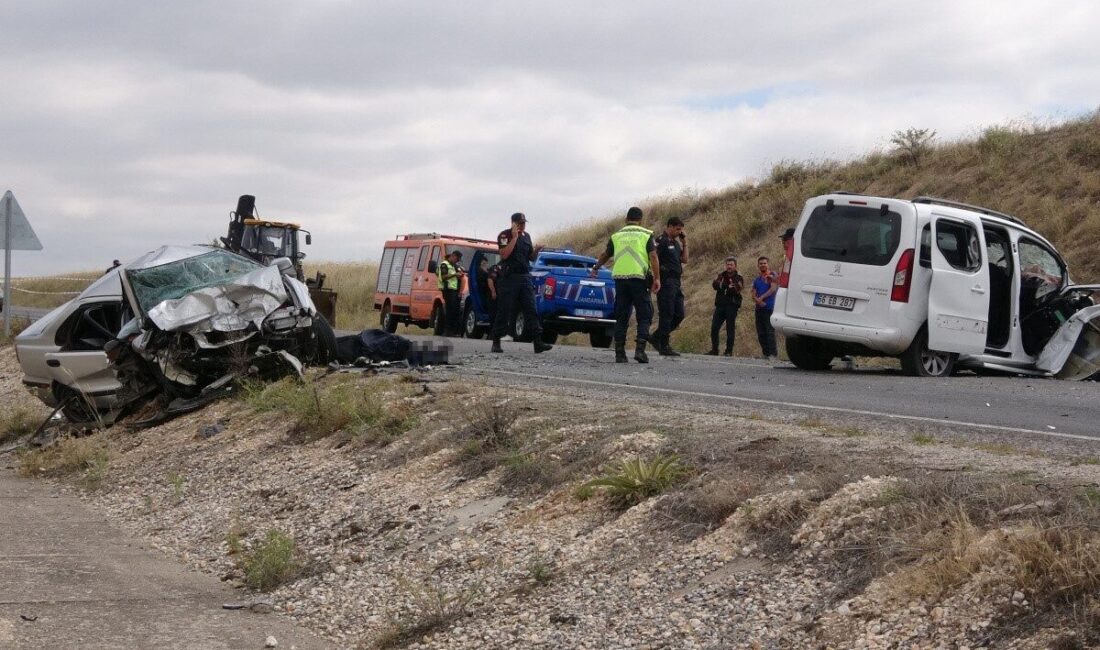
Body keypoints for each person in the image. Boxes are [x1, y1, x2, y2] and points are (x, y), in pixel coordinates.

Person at [591, 206, 660, 363]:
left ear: (626, 219)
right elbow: (653, 256)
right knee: (645, 314)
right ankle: (640, 350)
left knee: (622, 316)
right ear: (641, 220)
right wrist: (657, 278)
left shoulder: (617, 236)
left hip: (620, 281)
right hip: (639, 279)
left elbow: (605, 255)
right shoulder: (646, 234)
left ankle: (620, 353)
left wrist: (595, 268)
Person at [491, 212, 552, 354]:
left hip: (524, 276)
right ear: (513, 223)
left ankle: (537, 341)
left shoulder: (527, 237)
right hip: (509, 277)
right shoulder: (504, 236)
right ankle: (496, 341)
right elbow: (504, 254)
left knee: (531, 308)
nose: (522, 225)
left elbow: (530, 257)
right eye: (519, 223)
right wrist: (515, 237)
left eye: (524, 223)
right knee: (504, 309)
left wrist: (536, 251)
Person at [654, 216, 688, 356]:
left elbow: (684, 260)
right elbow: (653, 258)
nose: (679, 232)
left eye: (681, 230)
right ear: (670, 227)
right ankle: (664, 345)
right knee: (666, 313)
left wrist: (684, 243)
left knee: (679, 314)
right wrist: (657, 277)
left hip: (676, 281)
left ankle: (656, 337)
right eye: (678, 229)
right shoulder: (660, 241)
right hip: (666, 280)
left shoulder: (676, 242)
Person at [709, 257, 743, 356]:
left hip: (732, 306)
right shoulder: (721, 275)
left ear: (735, 266)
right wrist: (726, 286)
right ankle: (714, 350)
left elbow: (736, 289)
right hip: (720, 306)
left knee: (730, 329)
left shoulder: (739, 277)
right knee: (714, 328)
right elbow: (714, 284)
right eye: (727, 264)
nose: (729, 266)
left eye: (731, 265)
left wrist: (723, 287)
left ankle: (728, 351)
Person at [751, 256, 779, 359]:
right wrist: (757, 300)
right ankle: (766, 353)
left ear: (768, 264)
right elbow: (753, 293)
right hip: (759, 309)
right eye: (761, 263)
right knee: (761, 332)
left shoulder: (772, 275)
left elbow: (773, 289)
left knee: (769, 331)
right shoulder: (757, 279)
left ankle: (773, 354)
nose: (763, 265)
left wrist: (761, 298)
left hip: (769, 307)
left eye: (764, 263)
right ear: (758, 265)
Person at [437, 250, 464, 336]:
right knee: (449, 310)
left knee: (455, 311)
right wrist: (455, 274)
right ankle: (447, 331)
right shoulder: (444, 265)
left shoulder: (454, 265)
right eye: (457, 259)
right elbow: (444, 277)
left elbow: (461, 275)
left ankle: (454, 331)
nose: (457, 261)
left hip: (455, 291)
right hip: (447, 290)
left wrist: (460, 274)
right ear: (453, 256)